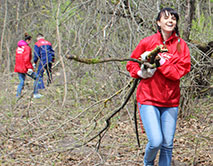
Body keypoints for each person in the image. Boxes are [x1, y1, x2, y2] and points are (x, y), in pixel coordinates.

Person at [126, 8, 191, 166]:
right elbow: (131, 64)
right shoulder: (148, 42)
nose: (170, 21)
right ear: (158, 22)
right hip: (148, 99)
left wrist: (162, 63)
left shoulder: (181, 46)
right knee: (156, 141)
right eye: (166, 18)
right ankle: (148, 163)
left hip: (170, 101)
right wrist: (141, 73)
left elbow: (178, 73)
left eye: (173, 19)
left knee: (167, 144)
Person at [14, 33, 43, 99]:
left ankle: (17, 96)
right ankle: (36, 93)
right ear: (28, 40)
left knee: (21, 81)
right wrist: (30, 68)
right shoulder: (27, 48)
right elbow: (26, 59)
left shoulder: (18, 48)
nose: (30, 42)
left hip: (18, 67)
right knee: (37, 78)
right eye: (30, 41)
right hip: (25, 68)